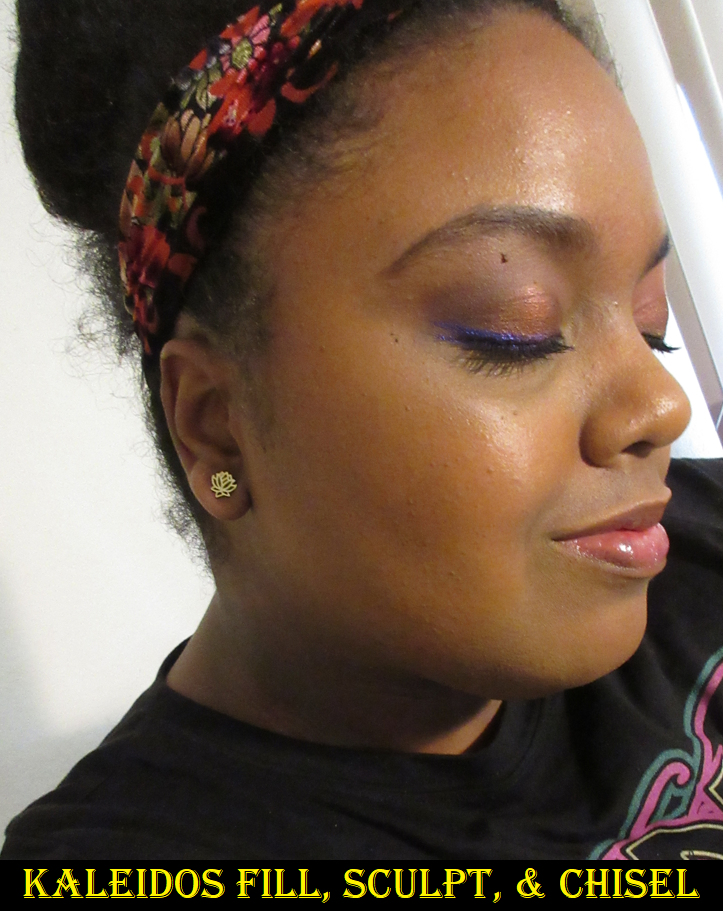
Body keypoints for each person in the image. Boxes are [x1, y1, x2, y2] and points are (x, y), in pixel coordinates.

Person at [3, 0, 723, 860]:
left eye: (648, 325)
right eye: (516, 329)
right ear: (217, 430)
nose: (661, 405)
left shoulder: (698, 539)